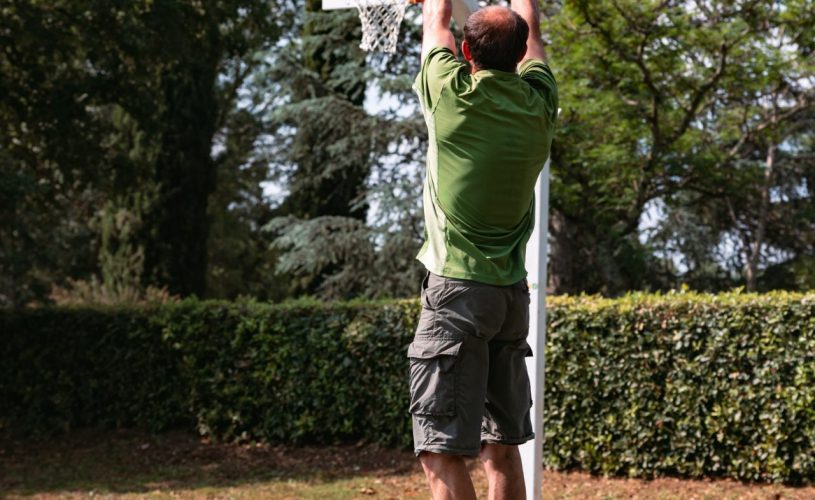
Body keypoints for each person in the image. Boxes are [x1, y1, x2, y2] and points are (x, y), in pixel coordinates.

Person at [408, 0, 558, 498]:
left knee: (441, 453)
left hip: (457, 295)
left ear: (467, 51)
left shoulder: (452, 100)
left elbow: (436, 24)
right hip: (510, 299)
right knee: (502, 445)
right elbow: (530, 29)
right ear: (520, 58)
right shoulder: (539, 104)